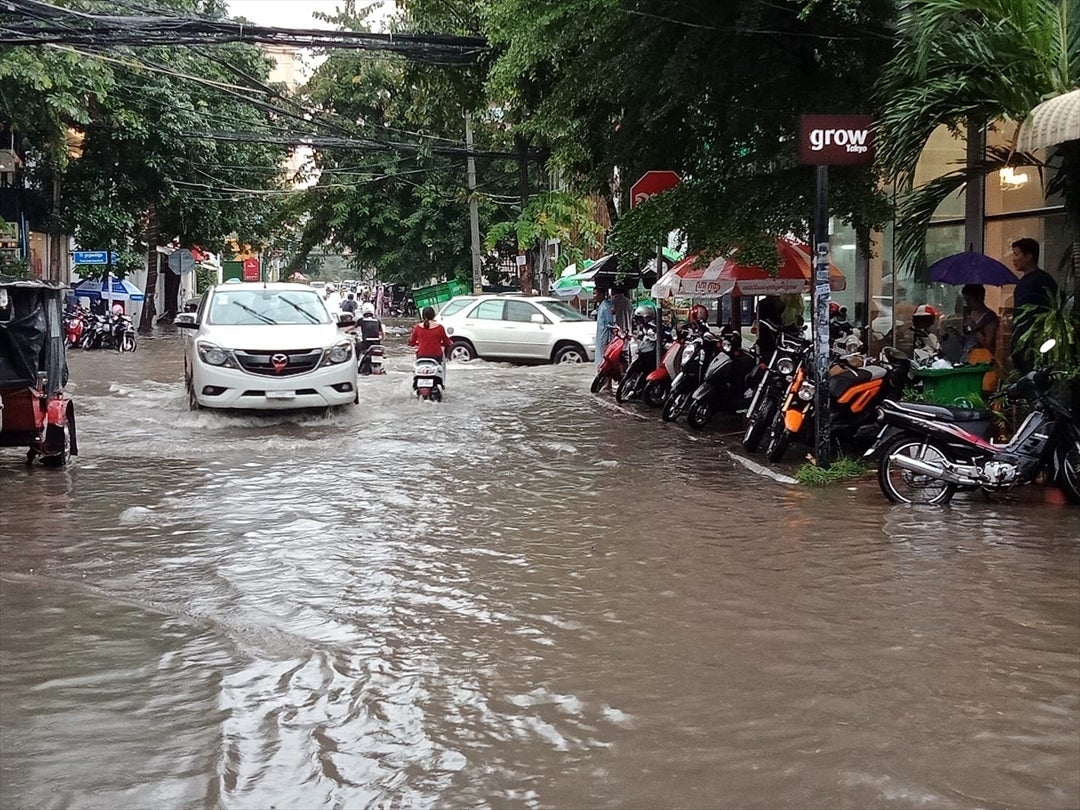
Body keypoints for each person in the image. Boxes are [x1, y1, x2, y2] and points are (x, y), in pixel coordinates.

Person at [1009, 237, 1058, 373]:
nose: (1013, 259)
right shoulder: (1025, 282)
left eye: (1016, 254)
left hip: (1035, 341)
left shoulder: (1042, 280)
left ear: (1029, 256)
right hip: (1022, 341)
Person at [960, 283, 999, 392]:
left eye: (969, 300)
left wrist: (975, 328)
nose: (968, 304)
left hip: (981, 361)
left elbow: (989, 344)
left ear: (979, 297)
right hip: (967, 358)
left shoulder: (989, 318)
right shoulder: (969, 314)